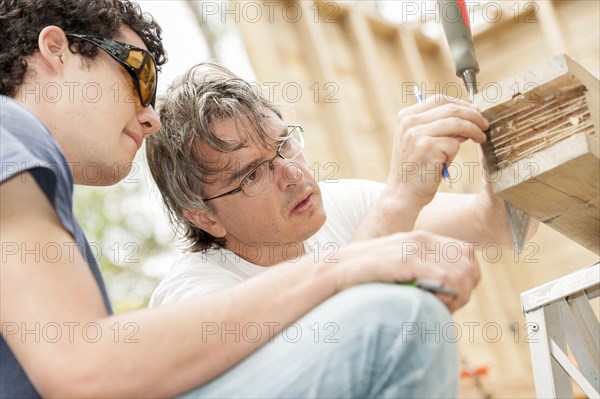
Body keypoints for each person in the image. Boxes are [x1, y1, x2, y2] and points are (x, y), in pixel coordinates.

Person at [1, 1, 485, 398]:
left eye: (284, 146)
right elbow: (83, 367)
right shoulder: (9, 130)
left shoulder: (31, 174)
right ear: (55, 50)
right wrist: (340, 271)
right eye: (139, 74)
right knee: (397, 323)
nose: (148, 117)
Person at [146, 62, 534, 309]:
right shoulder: (193, 299)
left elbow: (497, 226)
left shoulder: (341, 204)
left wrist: (507, 144)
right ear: (204, 216)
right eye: (252, 175)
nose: (293, 175)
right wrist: (399, 198)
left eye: (285, 144)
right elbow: (326, 354)